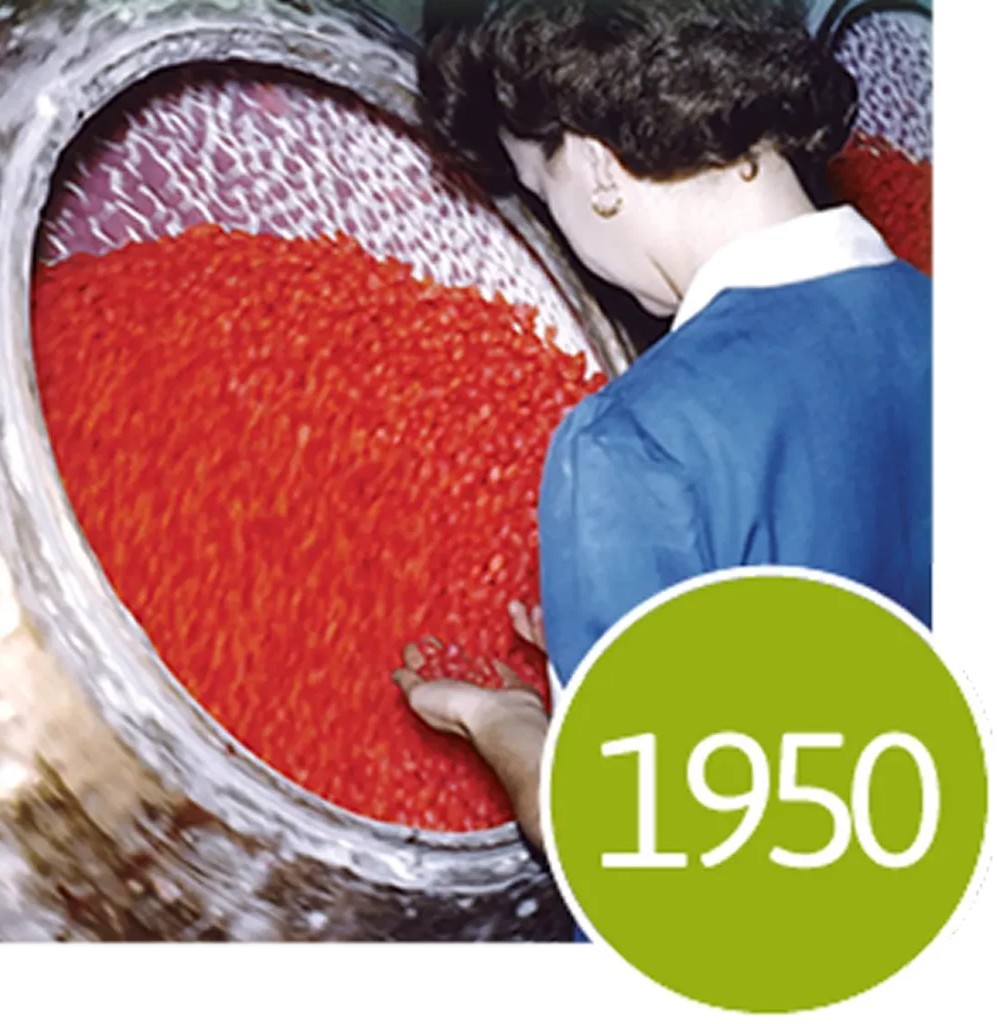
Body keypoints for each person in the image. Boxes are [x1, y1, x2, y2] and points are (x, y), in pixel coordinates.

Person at [392, 0, 936, 895]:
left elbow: (632, 859)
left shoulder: (630, 444)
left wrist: (510, 728)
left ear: (598, 165)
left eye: (542, 190)